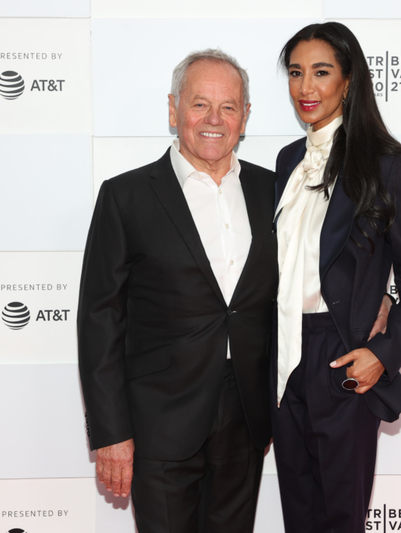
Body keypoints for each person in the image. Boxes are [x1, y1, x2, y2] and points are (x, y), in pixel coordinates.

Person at [77, 49, 277, 533]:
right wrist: (110, 433)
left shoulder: (275, 193)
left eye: (229, 107)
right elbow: (99, 319)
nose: (214, 119)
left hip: (245, 416)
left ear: (245, 117)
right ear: (173, 109)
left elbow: (309, 279)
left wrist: (380, 299)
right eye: (199, 104)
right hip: (158, 421)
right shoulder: (125, 197)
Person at [271, 22, 401, 533]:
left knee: (341, 517)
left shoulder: (385, 165)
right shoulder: (287, 162)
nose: (306, 87)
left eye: (321, 72)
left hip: (340, 354)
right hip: (282, 355)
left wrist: (384, 353)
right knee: (298, 512)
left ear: (348, 81)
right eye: (296, 73)